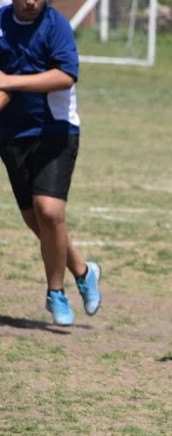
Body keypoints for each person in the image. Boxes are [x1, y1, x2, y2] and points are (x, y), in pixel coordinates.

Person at [0, 0, 102, 326]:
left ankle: (55, 292)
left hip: (54, 129)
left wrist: (9, 81)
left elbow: (66, 76)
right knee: (36, 221)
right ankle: (84, 272)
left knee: (49, 211)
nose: (32, 1)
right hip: (11, 135)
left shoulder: (55, 26)